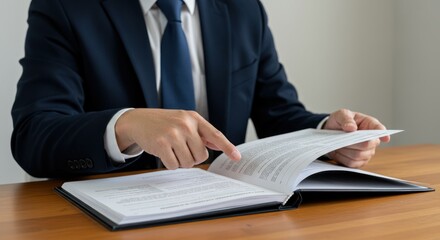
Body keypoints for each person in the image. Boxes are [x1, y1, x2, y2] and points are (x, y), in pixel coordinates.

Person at [11, 0, 390, 178]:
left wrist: (329, 135)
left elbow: (279, 113)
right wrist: (125, 125)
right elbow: (34, 136)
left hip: (225, 213)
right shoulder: (65, 7)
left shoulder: (244, 10)